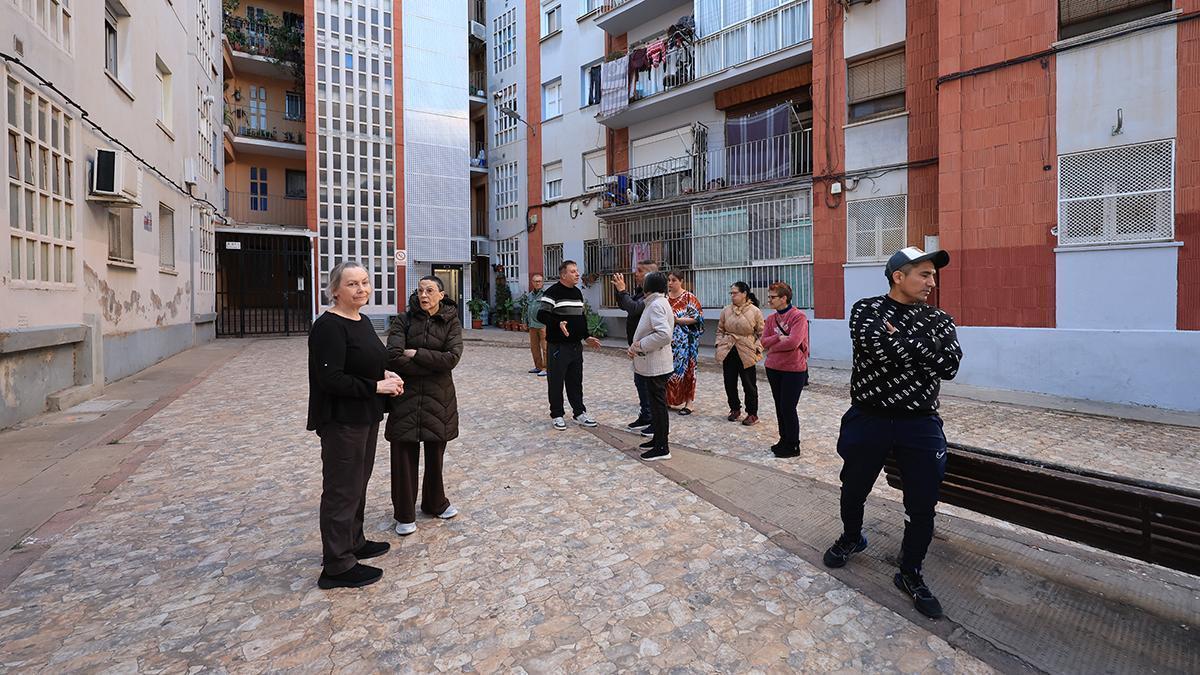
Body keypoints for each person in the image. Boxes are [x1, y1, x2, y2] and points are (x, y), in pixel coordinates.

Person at [821, 247, 962, 621]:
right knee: (853, 487)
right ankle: (852, 537)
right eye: (924, 274)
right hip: (870, 416)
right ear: (898, 276)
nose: (932, 282)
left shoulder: (941, 319)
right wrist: (922, 350)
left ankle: (910, 570)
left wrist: (903, 342)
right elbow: (875, 347)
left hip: (920, 422)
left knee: (922, 502)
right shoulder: (866, 309)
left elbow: (949, 366)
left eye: (933, 275)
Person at [307, 261, 403, 590]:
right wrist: (376, 387)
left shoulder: (360, 321)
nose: (361, 289)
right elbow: (330, 378)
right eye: (351, 284)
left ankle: (354, 541)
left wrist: (385, 375)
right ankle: (336, 565)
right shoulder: (329, 326)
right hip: (342, 420)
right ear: (335, 290)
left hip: (365, 415)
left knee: (358, 484)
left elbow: (366, 363)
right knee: (341, 490)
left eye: (364, 282)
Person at [385, 275, 464, 537]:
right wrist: (431, 362)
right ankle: (404, 514)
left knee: (435, 455)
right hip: (405, 396)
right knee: (403, 456)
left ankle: (435, 503)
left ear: (441, 294)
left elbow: (451, 358)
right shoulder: (403, 320)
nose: (423, 295)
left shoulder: (451, 320)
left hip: (438, 397)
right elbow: (394, 356)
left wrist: (416, 353)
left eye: (429, 290)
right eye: (420, 290)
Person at [537, 260, 602, 431]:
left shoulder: (577, 293)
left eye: (577, 271)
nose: (577, 274)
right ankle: (557, 414)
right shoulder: (552, 292)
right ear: (563, 275)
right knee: (556, 381)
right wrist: (557, 323)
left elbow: (581, 319)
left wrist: (586, 336)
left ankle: (579, 412)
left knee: (575, 381)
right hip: (558, 346)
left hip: (575, 347)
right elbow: (541, 314)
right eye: (573, 271)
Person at [627, 272, 675, 461]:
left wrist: (640, 345)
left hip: (655, 363)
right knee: (656, 406)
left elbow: (664, 335)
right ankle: (657, 440)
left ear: (649, 287)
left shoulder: (656, 305)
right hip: (652, 363)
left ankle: (662, 447)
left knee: (658, 406)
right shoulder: (657, 302)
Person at [761, 281, 809, 458]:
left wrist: (774, 344)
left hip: (793, 369)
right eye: (769, 297)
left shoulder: (798, 317)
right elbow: (763, 341)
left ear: (784, 298)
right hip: (773, 367)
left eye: (773, 297)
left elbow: (794, 342)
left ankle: (793, 445)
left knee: (788, 407)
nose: (769, 300)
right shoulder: (771, 319)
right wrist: (779, 338)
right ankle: (784, 439)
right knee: (779, 406)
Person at [613, 259, 659, 433]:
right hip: (637, 347)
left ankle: (654, 420)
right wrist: (620, 293)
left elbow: (633, 308)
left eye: (639, 271)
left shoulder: (653, 297)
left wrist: (622, 290)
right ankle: (646, 415)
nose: (635, 273)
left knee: (650, 386)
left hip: (647, 347)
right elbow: (625, 305)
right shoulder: (641, 292)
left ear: (649, 275)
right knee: (640, 382)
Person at [716, 281, 765, 426]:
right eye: (731, 293)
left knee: (749, 383)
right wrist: (719, 344)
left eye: (735, 293)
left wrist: (757, 348)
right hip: (728, 348)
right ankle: (734, 408)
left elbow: (762, 333)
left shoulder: (755, 311)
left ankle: (752, 413)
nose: (733, 296)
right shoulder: (726, 310)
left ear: (744, 294)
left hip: (747, 349)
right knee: (729, 382)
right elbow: (720, 330)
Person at [665, 271, 703, 415]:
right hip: (668, 341)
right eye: (669, 280)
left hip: (686, 343)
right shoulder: (665, 299)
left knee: (688, 371)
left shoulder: (689, 297)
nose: (670, 283)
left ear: (681, 281)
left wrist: (678, 320)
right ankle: (668, 399)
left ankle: (689, 403)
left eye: (674, 280)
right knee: (667, 370)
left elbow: (697, 317)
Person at [525, 273, 548, 377]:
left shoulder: (546, 295)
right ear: (532, 282)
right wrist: (525, 322)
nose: (537, 283)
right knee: (534, 347)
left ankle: (546, 368)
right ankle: (538, 366)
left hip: (543, 325)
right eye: (535, 281)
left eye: (539, 281)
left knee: (545, 348)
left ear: (542, 282)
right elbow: (526, 310)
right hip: (532, 325)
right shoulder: (529, 295)